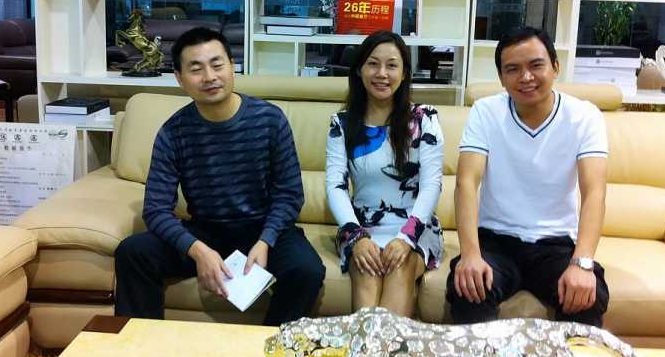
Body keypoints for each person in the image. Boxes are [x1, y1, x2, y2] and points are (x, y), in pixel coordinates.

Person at [114, 27, 325, 326]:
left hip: (264, 230)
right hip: (205, 231)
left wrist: (265, 241)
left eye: (217, 65)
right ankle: (142, 343)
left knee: (307, 270)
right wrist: (197, 250)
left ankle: (266, 344)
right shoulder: (173, 132)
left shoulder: (269, 119)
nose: (210, 77)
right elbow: (156, 209)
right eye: (196, 69)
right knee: (132, 252)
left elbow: (289, 194)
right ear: (180, 78)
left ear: (232, 67)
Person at [447, 27, 610, 327]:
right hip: (496, 241)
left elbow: (594, 193)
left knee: (588, 295)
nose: (525, 77)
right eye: (512, 69)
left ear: (555, 67)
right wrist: (470, 254)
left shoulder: (584, 116)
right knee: (467, 288)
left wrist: (582, 263)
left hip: (555, 245)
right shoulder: (485, 112)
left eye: (536, 65)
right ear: (501, 77)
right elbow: (466, 183)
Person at [326, 30, 444, 317]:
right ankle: (369, 345)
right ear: (359, 70)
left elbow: (432, 185)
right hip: (361, 225)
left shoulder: (424, 119)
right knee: (366, 269)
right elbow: (335, 186)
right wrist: (357, 237)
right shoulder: (342, 124)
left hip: (415, 225)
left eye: (391, 65)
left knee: (399, 266)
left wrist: (407, 237)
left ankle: (383, 346)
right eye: (372, 64)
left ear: (404, 73)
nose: (382, 73)